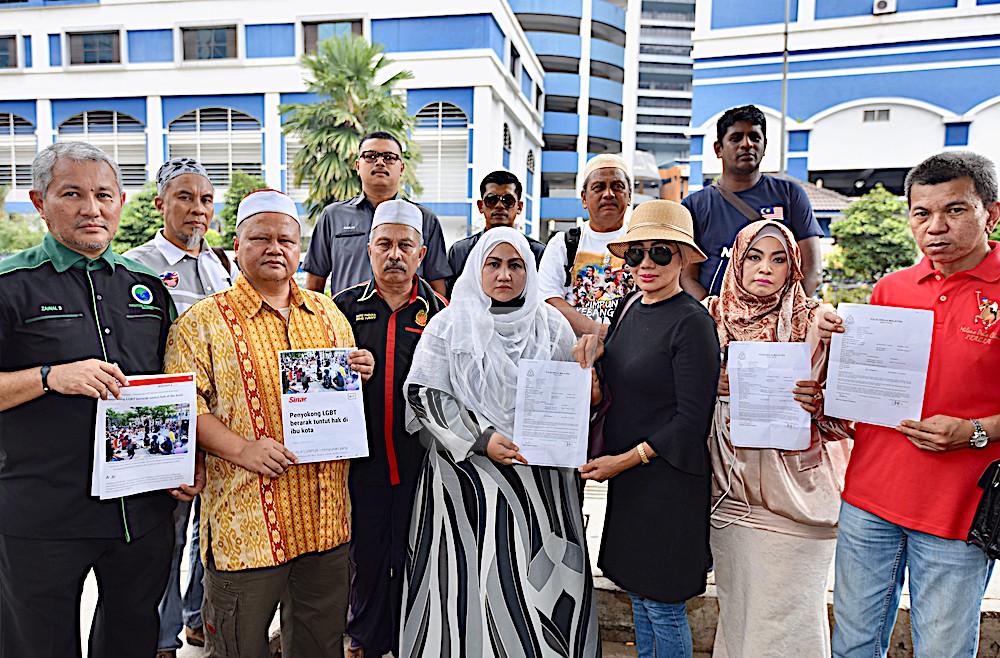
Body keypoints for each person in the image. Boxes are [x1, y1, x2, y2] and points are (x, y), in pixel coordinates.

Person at [0, 141, 203, 658]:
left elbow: (175, 387)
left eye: (104, 195)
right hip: (42, 517)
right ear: (39, 202)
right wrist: (49, 377)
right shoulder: (11, 285)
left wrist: (188, 459)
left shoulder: (148, 288)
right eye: (72, 194)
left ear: (120, 203)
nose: (92, 208)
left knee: (133, 641)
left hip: (141, 516)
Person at [163, 189, 376, 657]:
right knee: (239, 646)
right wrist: (242, 449)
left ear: (300, 250)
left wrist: (358, 369)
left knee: (320, 646)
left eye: (286, 240)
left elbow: (339, 402)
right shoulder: (202, 322)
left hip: (325, 524)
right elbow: (183, 407)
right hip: (248, 528)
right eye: (261, 238)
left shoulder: (329, 314)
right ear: (237, 246)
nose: (275, 249)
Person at [829, 151, 1000, 658]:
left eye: (955, 210)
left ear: (991, 214)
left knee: (942, 650)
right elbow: (864, 393)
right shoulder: (890, 289)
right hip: (868, 499)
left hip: (958, 512)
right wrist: (828, 391)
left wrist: (976, 431)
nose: (935, 227)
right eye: (921, 213)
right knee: (853, 645)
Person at [401, 227, 599, 656]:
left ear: (530, 271)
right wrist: (481, 438)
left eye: (516, 265)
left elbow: (569, 398)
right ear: (477, 268)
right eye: (494, 264)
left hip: (538, 481)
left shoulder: (552, 327)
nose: (504, 275)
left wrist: (586, 377)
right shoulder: (449, 325)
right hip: (464, 483)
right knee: (468, 581)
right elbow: (424, 395)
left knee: (532, 582)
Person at [575, 200, 720, 658]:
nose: (646, 264)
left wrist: (625, 460)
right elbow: (618, 387)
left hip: (668, 482)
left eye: (660, 252)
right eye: (636, 253)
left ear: (683, 258)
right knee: (639, 595)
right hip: (630, 482)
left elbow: (691, 421)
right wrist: (591, 369)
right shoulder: (627, 307)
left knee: (663, 605)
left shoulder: (693, 322)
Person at [702, 220, 853, 658]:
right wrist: (710, 384)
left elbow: (849, 419)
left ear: (794, 267)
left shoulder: (819, 322)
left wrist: (819, 402)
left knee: (789, 626)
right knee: (740, 618)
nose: (765, 268)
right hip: (729, 497)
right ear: (736, 260)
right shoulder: (709, 317)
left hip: (798, 503)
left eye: (779, 258)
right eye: (754, 256)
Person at [125, 157, 235, 657]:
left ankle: (197, 619)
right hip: (167, 418)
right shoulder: (136, 265)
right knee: (165, 537)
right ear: (160, 204)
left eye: (206, 199)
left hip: (222, 420)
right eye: (185, 198)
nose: (198, 209)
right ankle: (162, 636)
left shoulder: (225, 265)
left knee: (210, 531)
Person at [333, 200, 449, 658]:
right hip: (362, 461)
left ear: (421, 254)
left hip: (421, 464)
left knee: (414, 554)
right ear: (369, 250)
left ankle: (412, 639)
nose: (394, 255)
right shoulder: (341, 308)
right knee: (366, 554)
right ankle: (365, 638)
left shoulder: (440, 312)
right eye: (384, 244)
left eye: (405, 246)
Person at [679, 104, 824, 299]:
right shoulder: (694, 206)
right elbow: (687, 277)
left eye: (755, 137)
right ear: (718, 149)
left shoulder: (790, 195)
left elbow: (812, 272)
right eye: (736, 138)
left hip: (779, 316)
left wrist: (780, 313)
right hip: (713, 316)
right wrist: (715, 313)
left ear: (764, 146)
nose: (747, 144)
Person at [303, 131, 451, 297]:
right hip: (346, 313)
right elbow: (314, 285)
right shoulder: (333, 216)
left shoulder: (424, 218)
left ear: (401, 168)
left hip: (408, 313)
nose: (380, 162)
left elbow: (437, 285)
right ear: (358, 166)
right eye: (371, 156)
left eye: (389, 157)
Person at [538, 154, 636, 336]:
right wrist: (598, 331)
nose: (608, 194)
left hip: (631, 347)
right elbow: (547, 298)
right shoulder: (563, 244)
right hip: (573, 350)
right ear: (584, 198)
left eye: (617, 186)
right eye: (599, 187)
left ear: (629, 196)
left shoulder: (642, 242)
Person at [445, 170, 546, 296]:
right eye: (491, 200)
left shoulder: (538, 253)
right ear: (480, 206)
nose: (499, 206)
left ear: (519, 207)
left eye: (507, 200)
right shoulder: (460, 252)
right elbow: (448, 299)